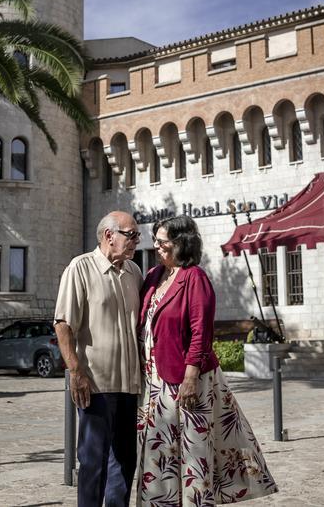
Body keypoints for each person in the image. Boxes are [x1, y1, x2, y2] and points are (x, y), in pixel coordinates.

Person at [136, 215, 278, 505]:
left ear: (182, 243)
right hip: (155, 381)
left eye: (163, 242)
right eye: (156, 241)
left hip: (189, 380)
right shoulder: (152, 276)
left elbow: (202, 332)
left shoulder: (194, 278)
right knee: (158, 454)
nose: (157, 247)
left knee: (193, 454)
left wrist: (190, 377)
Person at [54, 211, 144, 507]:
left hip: (130, 385)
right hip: (96, 384)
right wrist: (75, 372)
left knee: (125, 460)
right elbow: (63, 323)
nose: (136, 240)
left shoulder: (135, 272)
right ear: (109, 235)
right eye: (131, 234)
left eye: (136, 235)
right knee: (93, 462)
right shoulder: (80, 268)